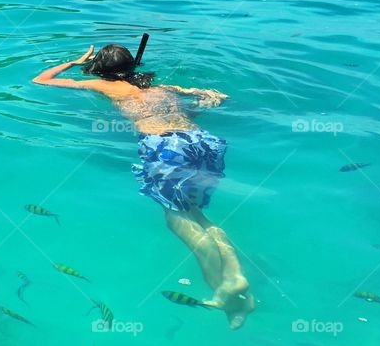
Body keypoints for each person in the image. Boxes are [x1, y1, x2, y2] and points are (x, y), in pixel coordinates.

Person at [32, 43, 255, 329]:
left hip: (167, 149)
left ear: (101, 71)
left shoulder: (107, 87)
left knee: (177, 220)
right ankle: (235, 277)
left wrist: (75, 61)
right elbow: (214, 99)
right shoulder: (163, 88)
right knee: (196, 214)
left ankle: (222, 288)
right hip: (202, 141)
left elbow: (41, 80)